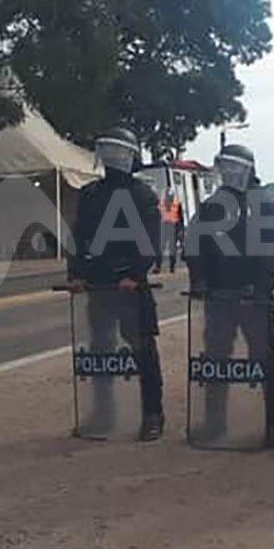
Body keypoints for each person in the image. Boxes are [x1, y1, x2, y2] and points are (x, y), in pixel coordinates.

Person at [185, 144, 274, 449]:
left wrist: (257, 286)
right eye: (224, 167)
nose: (229, 172)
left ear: (248, 168)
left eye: (235, 167)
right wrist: (200, 280)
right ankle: (215, 422)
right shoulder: (212, 205)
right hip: (219, 297)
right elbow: (195, 244)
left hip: (255, 298)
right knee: (216, 360)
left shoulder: (266, 202)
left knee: (265, 357)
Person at [66, 127, 165, 441]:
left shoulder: (143, 195)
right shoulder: (90, 194)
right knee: (100, 353)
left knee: (143, 350)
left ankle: (153, 415)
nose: (112, 157)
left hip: (130, 288)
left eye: (118, 150)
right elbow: (79, 239)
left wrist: (134, 275)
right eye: (107, 149)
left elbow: (150, 242)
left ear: (131, 155)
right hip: (98, 286)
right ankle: (103, 413)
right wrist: (76, 275)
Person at [156, 189, 183, 273]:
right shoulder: (162, 204)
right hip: (166, 225)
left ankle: (170, 266)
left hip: (172, 225)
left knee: (170, 248)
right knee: (162, 247)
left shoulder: (175, 204)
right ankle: (160, 266)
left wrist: (180, 229)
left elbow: (180, 217)